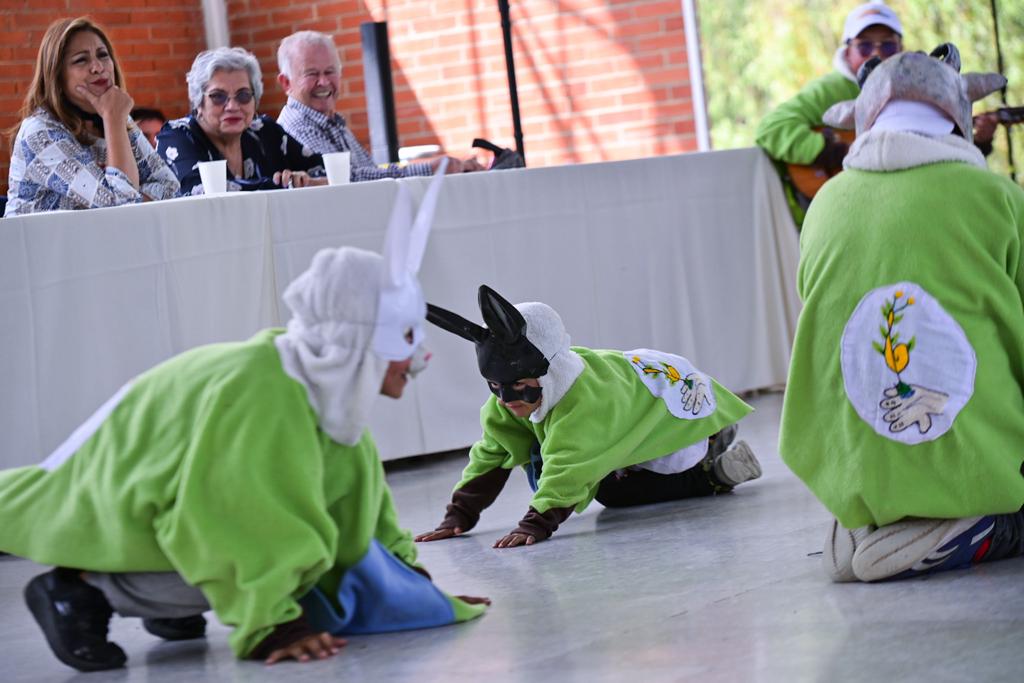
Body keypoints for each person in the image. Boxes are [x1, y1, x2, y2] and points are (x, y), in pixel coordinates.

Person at [0, 165, 488, 672]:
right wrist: (273, 622)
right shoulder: (270, 392)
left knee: (297, 543)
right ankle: (82, 590)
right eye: (406, 336)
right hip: (119, 500)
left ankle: (168, 606)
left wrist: (419, 596)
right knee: (254, 545)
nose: (423, 357)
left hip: (165, 499)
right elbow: (228, 518)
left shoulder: (328, 395)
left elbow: (360, 515)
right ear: (356, 337)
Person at [778, 44, 1024, 583]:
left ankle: (867, 523)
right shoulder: (996, 196)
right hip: (973, 457)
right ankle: (967, 519)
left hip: (852, 467)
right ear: (959, 115)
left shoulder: (824, 206)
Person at [414, 285, 761, 549]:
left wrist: (535, 524)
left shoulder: (584, 403)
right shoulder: (509, 401)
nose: (506, 399)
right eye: (495, 386)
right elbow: (492, 452)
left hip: (678, 419)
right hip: (627, 428)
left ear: (548, 373)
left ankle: (713, 465)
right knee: (602, 487)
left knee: (614, 491)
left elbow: (570, 469)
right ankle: (711, 443)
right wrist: (459, 515)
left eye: (519, 386)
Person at [4, 17, 179, 217]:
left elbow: (171, 187)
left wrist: (114, 120)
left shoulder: (117, 118)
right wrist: (113, 120)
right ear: (57, 76)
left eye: (103, 55)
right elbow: (122, 210)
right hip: (39, 247)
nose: (97, 67)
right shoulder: (39, 132)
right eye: (81, 59)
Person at [755, 2, 904, 226]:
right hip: (837, 217)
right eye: (864, 46)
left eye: (887, 47)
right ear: (847, 51)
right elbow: (771, 129)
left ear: (901, 49)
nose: (876, 53)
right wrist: (827, 151)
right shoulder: (829, 90)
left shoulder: (911, 90)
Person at [275, 31, 484, 181]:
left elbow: (371, 172)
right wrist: (431, 169)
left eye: (330, 71)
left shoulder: (332, 122)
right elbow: (348, 180)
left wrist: (450, 168)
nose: (323, 82)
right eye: (312, 74)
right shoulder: (296, 127)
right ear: (286, 83)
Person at [157, 47, 327, 195]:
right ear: (198, 102)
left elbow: (329, 172)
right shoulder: (177, 136)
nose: (232, 106)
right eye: (218, 96)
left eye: (243, 95)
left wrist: (304, 181)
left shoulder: (265, 132)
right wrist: (288, 186)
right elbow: (205, 190)